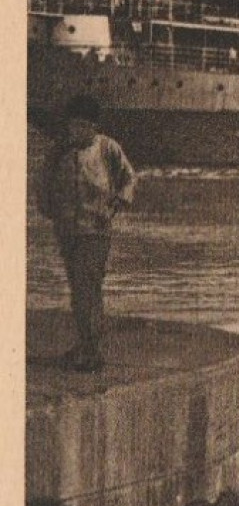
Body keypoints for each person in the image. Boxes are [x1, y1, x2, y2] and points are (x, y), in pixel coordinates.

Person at [39, 94, 137, 373]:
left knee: (87, 288)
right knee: (77, 289)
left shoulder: (107, 148)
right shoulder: (59, 151)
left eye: (84, 126)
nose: (77, 131)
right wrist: (49, 210)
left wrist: (117, 204)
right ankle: (85, 344)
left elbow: (129, 178)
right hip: (67, 231)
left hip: (96, 231)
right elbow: (43, 182)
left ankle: (92, 351)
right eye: (73, 126)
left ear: (94, 126)